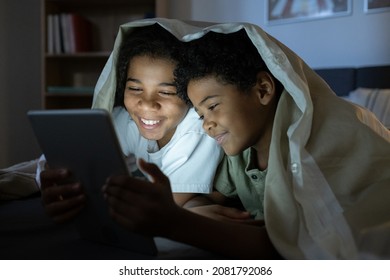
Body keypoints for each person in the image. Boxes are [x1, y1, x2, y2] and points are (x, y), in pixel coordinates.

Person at [102, 19, 390, 259]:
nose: (207, 125)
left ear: (263, 89)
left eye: (212, 107)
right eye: (200, 115)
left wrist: (176, 222)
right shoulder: (238, 155)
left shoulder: (324, 139)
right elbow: (211, 199)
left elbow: (296, 247)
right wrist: (190, 210)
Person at [37, 21, 222, 224]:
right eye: (135, 89)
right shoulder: (122, 119)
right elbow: (67, 155)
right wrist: (51, 177)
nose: (148, 104)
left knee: (194, 206)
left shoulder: (198, 128)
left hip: (180, 200)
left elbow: (170, 204)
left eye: (167, 92)